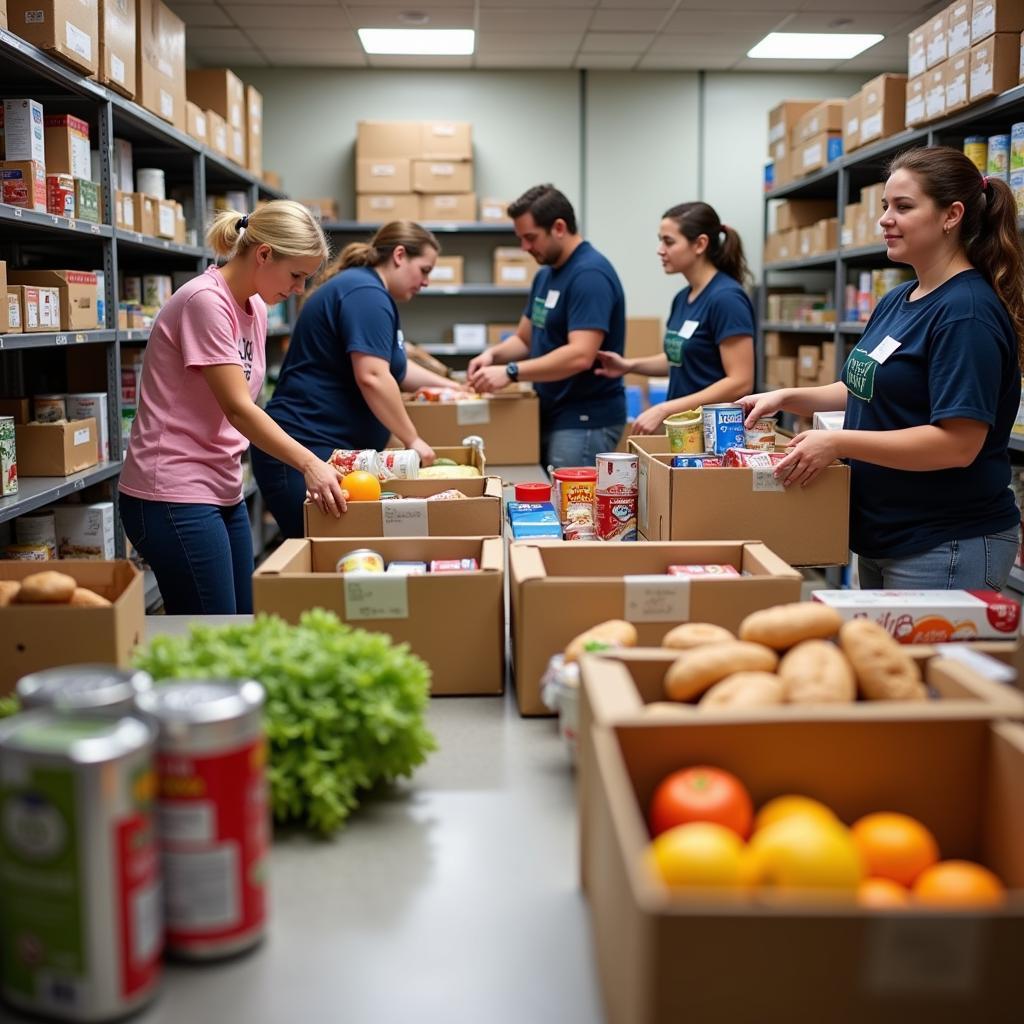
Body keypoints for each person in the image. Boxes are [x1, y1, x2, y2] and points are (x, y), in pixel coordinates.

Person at [740, 146, 1023, 590]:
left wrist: (836, 442)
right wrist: (787, 396)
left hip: (945, 541)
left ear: (951, 215)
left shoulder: (965, 313)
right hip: (884, 534)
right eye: (886, 206)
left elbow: (958, 444)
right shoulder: (899, 299)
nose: (885, 219)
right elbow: (865, 385)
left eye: (903, 207)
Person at [119, 201, 346, 615]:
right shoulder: (204, 302)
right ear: (263, 254)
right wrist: (309, 463)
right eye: (296, 275)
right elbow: (239, 409)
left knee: (241, 622)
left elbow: (243, 408)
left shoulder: (256, 306)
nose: (299, 289)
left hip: (223, 485)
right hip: (171, 491)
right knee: (214, 628)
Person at [252, 221, 461, 539]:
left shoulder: (367, 290)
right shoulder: (366, 294)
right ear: (400, 255)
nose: (426, 281)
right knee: (326, 557)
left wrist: (452, 386)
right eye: (425, 269)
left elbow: (396, 370)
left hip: (330, 450)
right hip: (305, 447)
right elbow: (374, 377)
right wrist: (412, 439)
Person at [466, 184, 626, 469]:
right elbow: (525, 340)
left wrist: (511, 372)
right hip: (550, 411)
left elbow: (581, 354)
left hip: (584, 419)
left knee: (573, 509)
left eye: (530, 238)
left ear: (559, 227)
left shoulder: (590, 275)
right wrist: (494, 356)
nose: (525, 248)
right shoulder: (546, 276)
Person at [593, 202, 755, 434]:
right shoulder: (683, 298)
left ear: (700, 244)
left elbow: (740, 381)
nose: (660, 249)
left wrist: (666, 409)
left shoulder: (726, 299)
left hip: (718, 436)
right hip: (686, 432)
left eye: (668, 241)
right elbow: (680, 358)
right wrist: (629, 366)